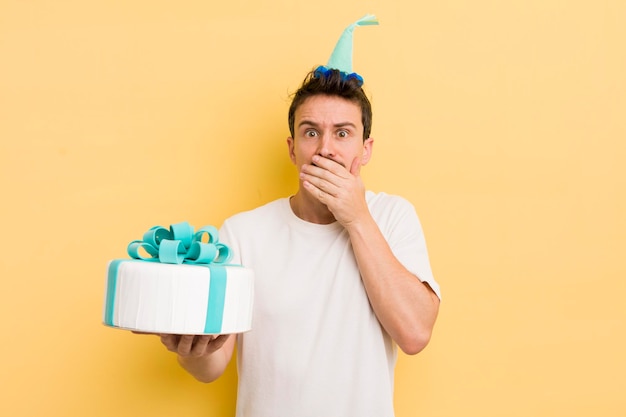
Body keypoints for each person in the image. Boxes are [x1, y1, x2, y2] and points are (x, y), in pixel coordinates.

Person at [158, 15, 440, 417]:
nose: (326, 149)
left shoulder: (393, 217)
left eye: (343, 133)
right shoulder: (242, 234)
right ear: (292, 149)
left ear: (366, 149)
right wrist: (191, 350)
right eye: (311, 132)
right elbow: (213, 366)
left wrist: (357, 218)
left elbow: (415, 334)